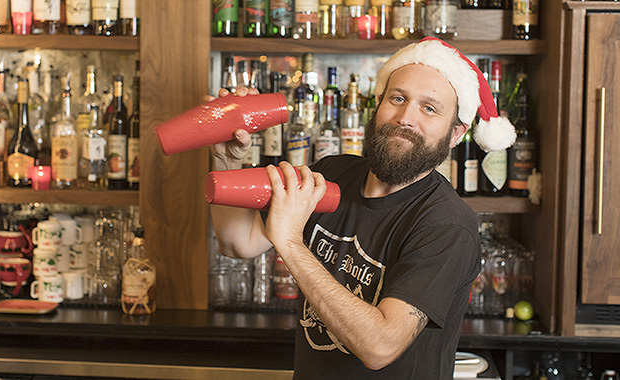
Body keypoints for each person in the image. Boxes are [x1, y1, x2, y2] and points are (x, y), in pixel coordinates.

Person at [209, 37, 516, 379]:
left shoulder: (447, 224)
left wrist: (292, 244)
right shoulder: (333, 173)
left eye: (429, 108)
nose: (405, 118)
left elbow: (380, 347)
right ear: (378, 103)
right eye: (397, 98)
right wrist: (226, 158)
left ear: (457, 132)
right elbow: (237, 242)